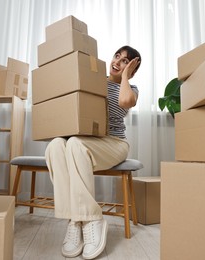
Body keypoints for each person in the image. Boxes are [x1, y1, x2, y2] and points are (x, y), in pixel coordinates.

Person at [45, 45, 141, 259]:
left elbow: (126, 102)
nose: (117, 61)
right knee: (55, 146)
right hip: (85, 140)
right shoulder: (94, 82)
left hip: (114, 143)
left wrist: (125, 76)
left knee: (76, 145)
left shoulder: (131, 88)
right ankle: (75, 220)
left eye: (125, 61)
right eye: (117, 56)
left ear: (132, 70)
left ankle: (92, 219)